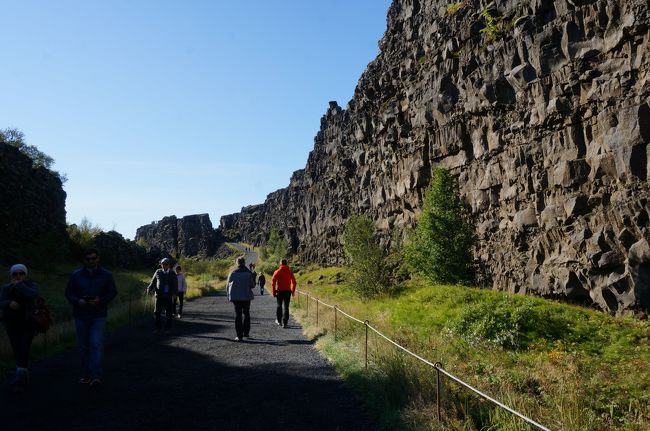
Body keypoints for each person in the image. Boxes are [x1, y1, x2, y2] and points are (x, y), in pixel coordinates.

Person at [65, 248, 117, 387]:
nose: (91, 261)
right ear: (84, 260)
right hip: (80, 315)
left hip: (98, 315)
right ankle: (86, 374)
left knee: (96, 344)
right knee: (83, 347)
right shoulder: (76, 275)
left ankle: (96, 376)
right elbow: (69, 293)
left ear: (98, 258)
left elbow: (113, 292)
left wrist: (100, 300)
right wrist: (78, 301)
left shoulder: (106, 275)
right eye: (88, 259)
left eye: (93, 258)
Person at [0, 264, 39, 390]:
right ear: (11, 275)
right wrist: (9, 303)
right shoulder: (6, 288)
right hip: (11, 323)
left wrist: (19, 285)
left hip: (28, 323)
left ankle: (19, 377)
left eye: (21, 273)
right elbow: (1, 301)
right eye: (15, 274)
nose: (18, 276)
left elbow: (33, 295)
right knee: (17, 349)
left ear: (25, 275)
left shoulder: (31, 285)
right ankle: (23, 373)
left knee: (23, 347)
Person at [226, 257, 255, 341]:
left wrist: (228, 296)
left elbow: (228, 286)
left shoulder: (232, 273)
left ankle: (239, 336)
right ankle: (246, 332)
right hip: (246, 297)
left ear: (237, 263)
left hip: (236, 298)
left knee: (238, 315)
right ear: (244, 263)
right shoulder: (248, 273)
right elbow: (252, 285)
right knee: (246, 314)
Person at [147, 257, 178, 334]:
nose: (164, 265)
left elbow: (175, 285)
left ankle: (168, 329)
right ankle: (158, 328)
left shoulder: (173, 273)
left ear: (169, 265)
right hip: (159, 296)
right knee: (157, 312)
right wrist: (149, 288)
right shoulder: (158, 272)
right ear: (161, 264)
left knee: (169, 313)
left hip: (168, 296)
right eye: (163, 264)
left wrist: (174, 293)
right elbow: (153, 282)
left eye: (166, 264)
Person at [271, 259, 297, 328]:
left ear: (280, 263)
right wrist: (293, 291)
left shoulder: (277, 271)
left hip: (280, 291)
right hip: (288, 291)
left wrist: (274, 292)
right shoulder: (289, 271)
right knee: (286, 307)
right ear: (286, 263)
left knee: (279, 305)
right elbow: (294, 282)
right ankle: (285, 323)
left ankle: (279, 321)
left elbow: (273, 282)